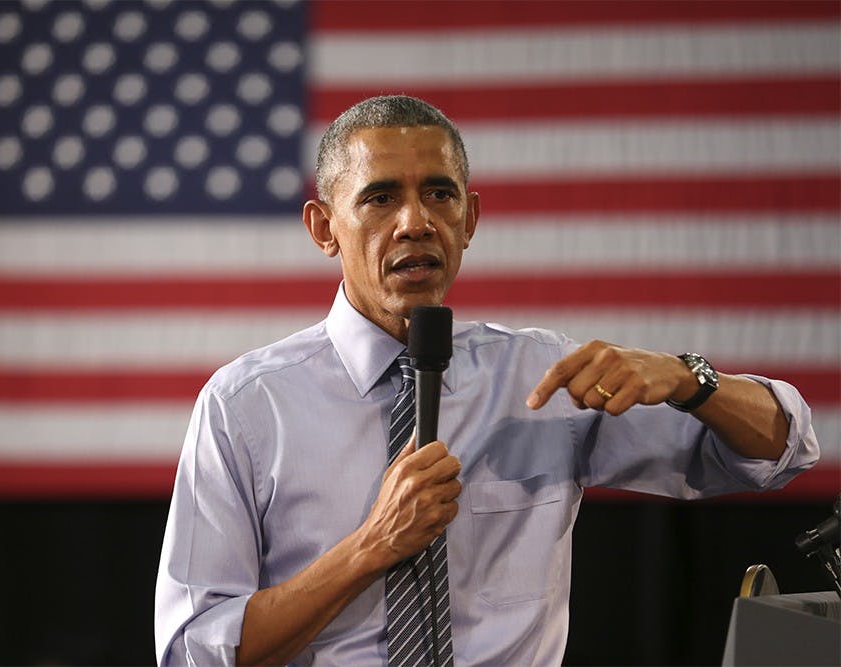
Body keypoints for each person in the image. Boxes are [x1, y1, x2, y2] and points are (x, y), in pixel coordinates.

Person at [154, 95, 819, 666]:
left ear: (468, 220)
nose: (415, 222)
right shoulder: (246, 406)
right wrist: (369, 547)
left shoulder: (543, 380)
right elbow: (193, 649)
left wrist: (688, 377)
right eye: (381, 197)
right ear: (324, 227)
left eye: (438, 194)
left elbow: (780, 450)